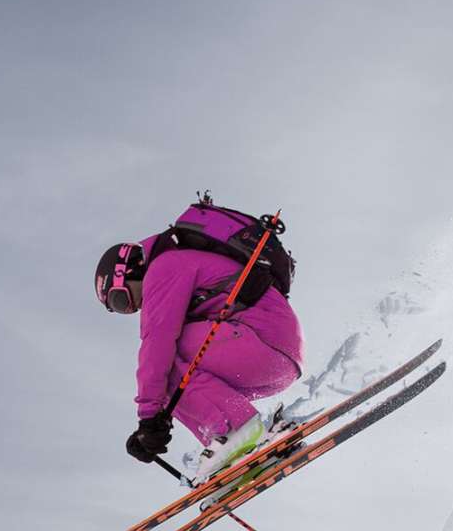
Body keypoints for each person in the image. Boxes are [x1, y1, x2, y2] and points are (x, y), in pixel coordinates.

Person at [94, 197, 303, 482]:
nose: (134, 308)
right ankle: (236, 443)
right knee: (166, 383)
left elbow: (157, 343)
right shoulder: (177, 267)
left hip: (262, 341)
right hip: (275, 359)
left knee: (164, 360)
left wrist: (148, 417)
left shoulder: (165, 267)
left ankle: (235, 428)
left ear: (129, 270)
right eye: (121, 307)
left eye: (122, 298)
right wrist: (156, 422)